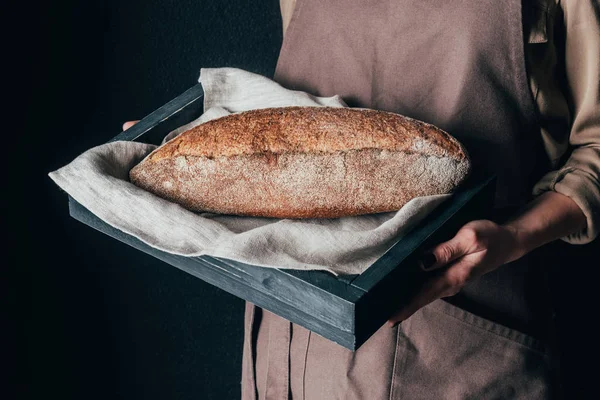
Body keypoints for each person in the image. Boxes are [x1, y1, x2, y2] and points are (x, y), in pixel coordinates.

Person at [125, 0, 599, 398]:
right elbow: (303, 111)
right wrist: (191, 147)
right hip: (290, 325)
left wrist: (515, 236)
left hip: (451, 345)